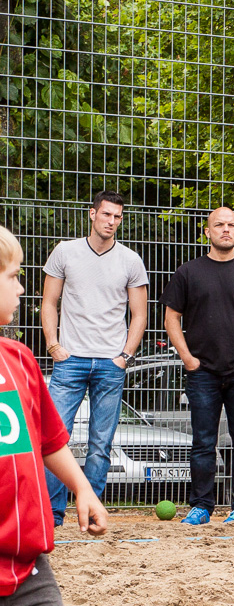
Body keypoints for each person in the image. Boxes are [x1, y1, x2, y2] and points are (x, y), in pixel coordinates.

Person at [0, 223, 111, 606]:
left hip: (27, 562)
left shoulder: (18, 360)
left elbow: (49, 438)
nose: (22, 289)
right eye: (13, 276)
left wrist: (83, 488)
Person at [161, 206, 234, 526]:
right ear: (207, 232)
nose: (226, 230)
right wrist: (188, 359)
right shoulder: (188, 272)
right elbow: (171, 317)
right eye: (219, 225)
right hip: (202, 372)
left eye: (231, 225)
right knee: (203, 441)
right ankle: (201, 506)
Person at [40, 190, 149, 526]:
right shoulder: (66, 251)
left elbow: (140, 314)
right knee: (56, 438)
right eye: (106, 215)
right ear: (92, 214)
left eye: (117, 217)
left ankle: (91, 515)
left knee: (101, 444)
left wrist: (125, 356)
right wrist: (53, 346)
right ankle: (53, 516)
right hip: (69, 360)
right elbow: (49, 302)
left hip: (110, 364)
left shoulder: (130, 260)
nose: (111, 222)